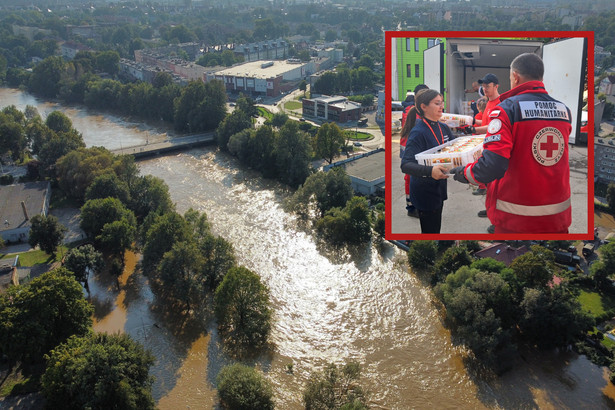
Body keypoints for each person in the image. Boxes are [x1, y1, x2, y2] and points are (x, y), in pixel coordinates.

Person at [451, 53, 572, 234]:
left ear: (515, 76)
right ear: (541, 77)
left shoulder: (507, 110)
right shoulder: (564, 110)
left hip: (516, 220)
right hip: (558, 217)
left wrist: (464, 173)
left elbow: (493, 164)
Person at [401, 89, 453, 234]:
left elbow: (457, 149)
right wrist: (431, 171)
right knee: (431, 232)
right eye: (437, 103)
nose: (441, 106)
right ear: (423, 107)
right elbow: (406, 164)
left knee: (436, 227)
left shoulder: (443, 127)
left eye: (442, 103)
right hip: (425, 191)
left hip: (439, 188)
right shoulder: (419, 132)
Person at [400, 84, 429, 218]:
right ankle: (411, 207)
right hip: (410, 148)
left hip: (411, 147)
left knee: (415, 177)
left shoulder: (414, 110)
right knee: (411, 177)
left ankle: (416, 204)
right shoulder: (412, 111)